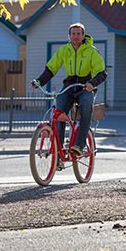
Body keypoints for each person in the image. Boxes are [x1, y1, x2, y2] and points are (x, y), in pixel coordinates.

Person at [31, 23, 107, 156]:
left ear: (83, 35)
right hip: (69, 86)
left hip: (86, 87)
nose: (76, 37)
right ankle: (58, 151)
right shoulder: (64, 50)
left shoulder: (92, 51)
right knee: (58, 112)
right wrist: (39, 81)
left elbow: (102, 72)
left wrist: (92, 83)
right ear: (69, 36)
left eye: (78, 34)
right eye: (73, 34)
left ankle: (79, 145)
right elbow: (51, 68)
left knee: (86, 108)